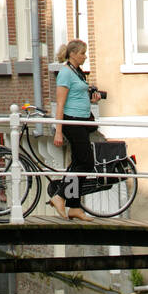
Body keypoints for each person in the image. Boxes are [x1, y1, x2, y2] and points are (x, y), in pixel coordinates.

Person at [49, 40, 101, 221]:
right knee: (86, 163)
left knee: (77, 163)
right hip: (72, 122)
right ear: (72, 54)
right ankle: (60, 195)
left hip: (82, 121)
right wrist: (58, 130)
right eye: (82, 53)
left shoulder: (77, 73)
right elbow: (60, 104)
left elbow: (78, 96)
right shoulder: (65, 73)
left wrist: (92, 101)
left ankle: (74, 207)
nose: (85, 56)